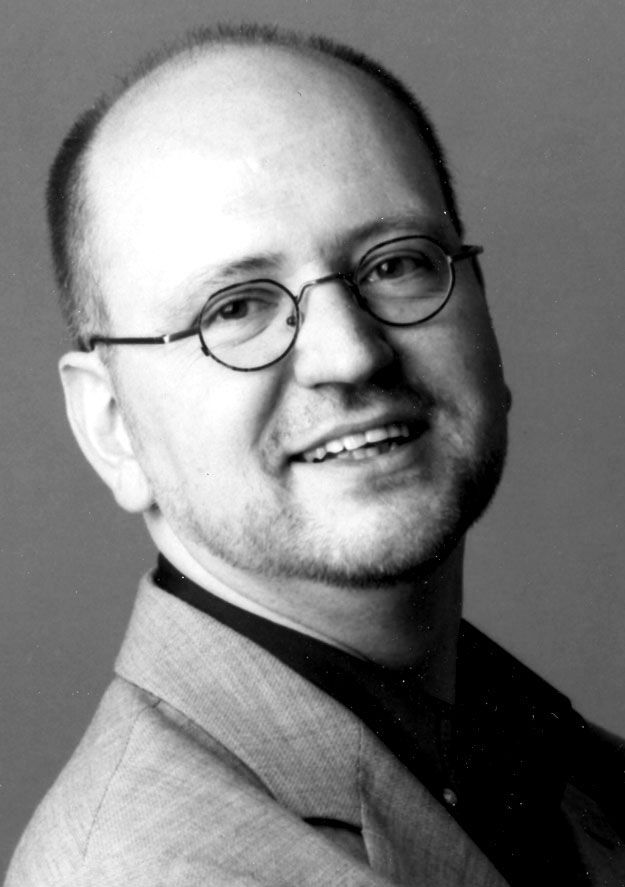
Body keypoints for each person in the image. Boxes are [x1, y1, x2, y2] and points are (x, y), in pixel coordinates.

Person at [5, 22, 624, 887]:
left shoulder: (563, 765)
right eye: (234, 308)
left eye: (394, 264)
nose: (350, 355)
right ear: (110, 424)